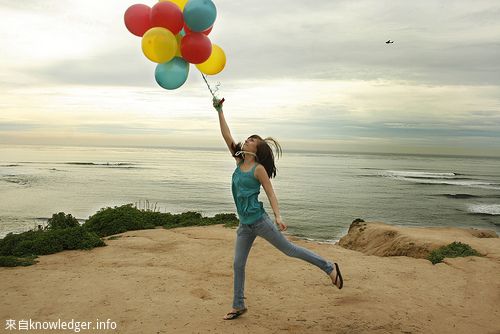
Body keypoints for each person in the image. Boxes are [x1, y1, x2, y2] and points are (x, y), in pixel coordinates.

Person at [213, 97, 343, 321]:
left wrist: (278, 216)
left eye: (252, 139)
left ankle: (329, 267)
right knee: (238, 264)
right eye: (247, 138)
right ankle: (238, 305)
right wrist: (219, 110)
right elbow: (226, 136)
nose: (247, 140)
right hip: (244, 225)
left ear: (258, 148)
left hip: (260, 222)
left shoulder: (258, 169)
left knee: (289, 250)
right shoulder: (238, 161)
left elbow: (271, 193)